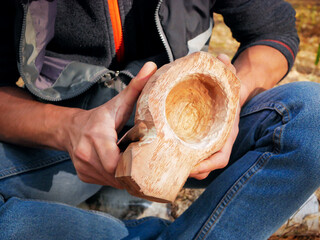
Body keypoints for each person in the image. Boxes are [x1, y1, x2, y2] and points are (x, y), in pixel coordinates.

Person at [1, 0, 319, 239]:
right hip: (65, 143)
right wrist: (68, 129)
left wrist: (230, 101)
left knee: (310, 119)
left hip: (188, 144)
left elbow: (274, 33)